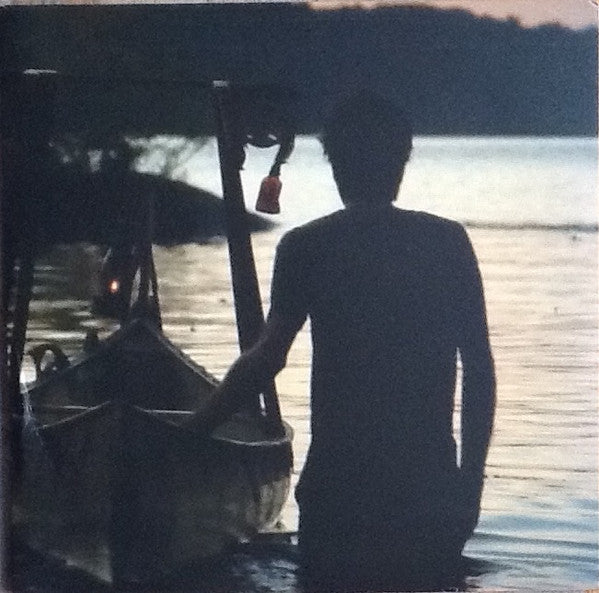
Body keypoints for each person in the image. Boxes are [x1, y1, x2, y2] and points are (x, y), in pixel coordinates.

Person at [188, 92, 496, 591]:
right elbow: (479, 371)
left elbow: (265, 360)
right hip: (427, 489)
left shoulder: (306, 247)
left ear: (335, 165)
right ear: (402, 161)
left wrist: (193, 431)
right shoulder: (446, 243)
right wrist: (469, 482)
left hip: (339, 493)